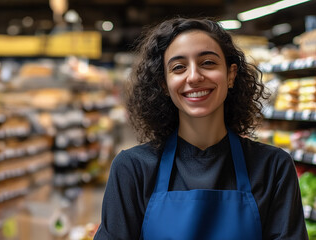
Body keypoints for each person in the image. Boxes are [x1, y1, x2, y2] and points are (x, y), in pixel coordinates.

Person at [94, 17, 308, 240]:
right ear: (163, 84)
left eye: (208, 63)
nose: (194, 76)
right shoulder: (134, 169)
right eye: (178, 67)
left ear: (231, 75)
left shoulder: (273, 168)